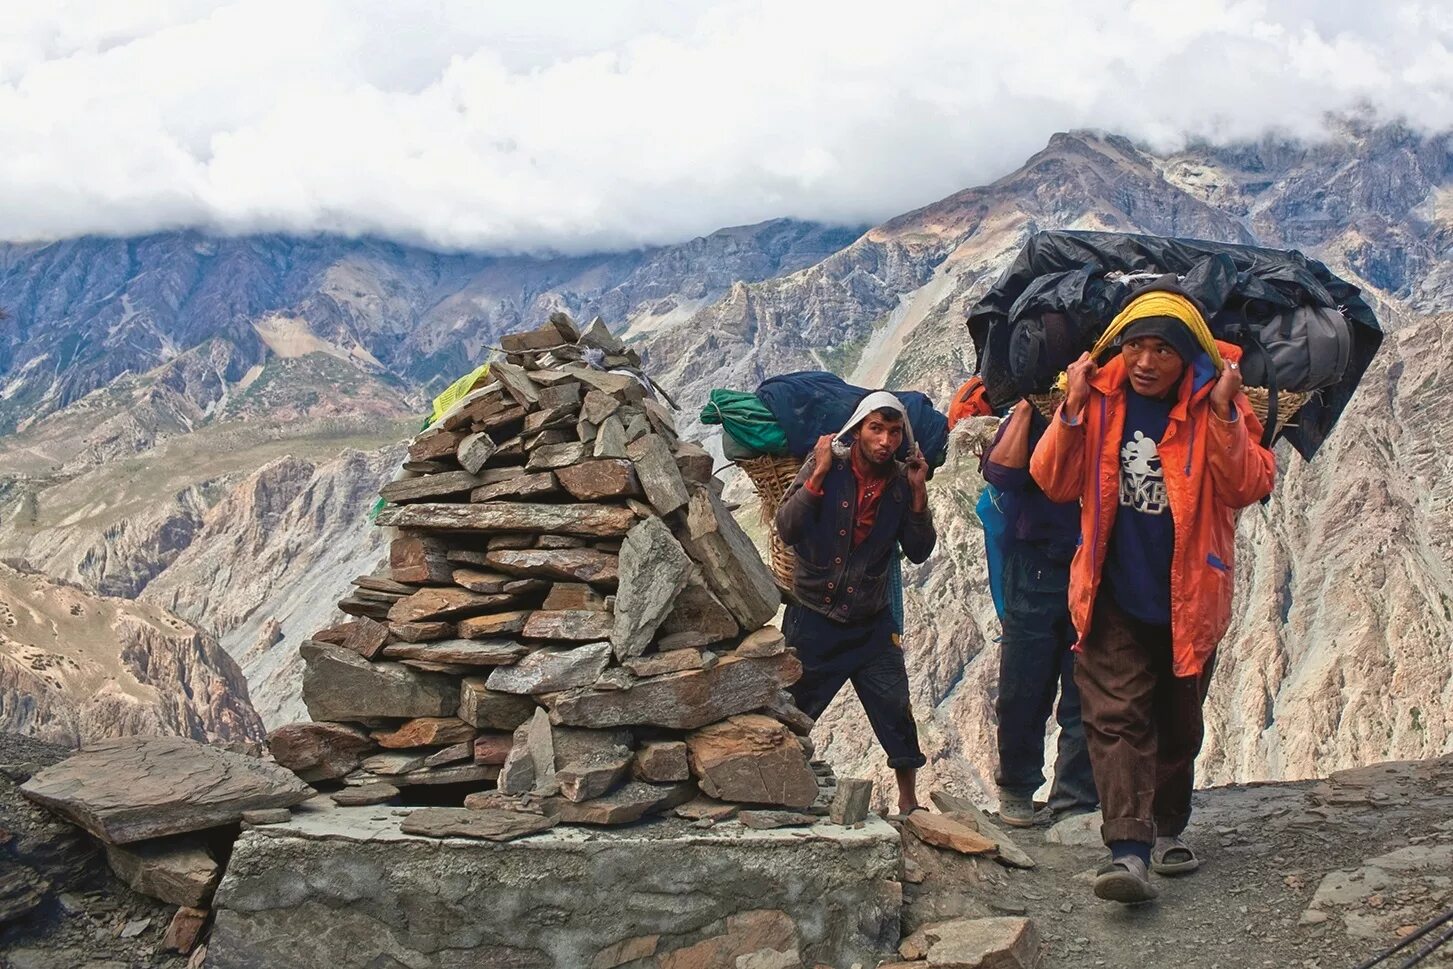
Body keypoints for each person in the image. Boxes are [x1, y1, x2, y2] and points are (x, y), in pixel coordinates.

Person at [1030, 284, 1276, 904]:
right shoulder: (1101, 398)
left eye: (1162, 350)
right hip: (1111, 589)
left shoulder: (1217, 402)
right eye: (1135, 346)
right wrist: (1072, 409)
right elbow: (1053, 481)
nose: (1145, 362)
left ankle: (1166, 829)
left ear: (1187, 355)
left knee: (1176, 721)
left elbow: (1248, 483)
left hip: (1189, 595)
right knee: (1115, 720)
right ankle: (1128, 851)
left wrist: (1222, 415)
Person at [776, 391, 936, 815]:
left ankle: (908, 803)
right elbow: (787, 526)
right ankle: (777, 791)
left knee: (896, 709)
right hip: (813, 618)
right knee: (790, 711)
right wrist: (819, 473)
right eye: (876, 429)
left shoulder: (904, 483)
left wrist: (918, 495)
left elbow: (919, 550)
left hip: (870, 622)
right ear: (858, 430)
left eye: (894, 431)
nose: (885, 440)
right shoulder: (830, 467)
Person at [981, 399, 1097, 827]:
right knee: (1022, 684)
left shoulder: (1119, 408)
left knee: (1087, 688)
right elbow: (1001, 472)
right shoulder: (1034, 414)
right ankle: (1016, 786)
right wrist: (1030, 406)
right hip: (1036, 564)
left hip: (1099, 567)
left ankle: (1074, 797)